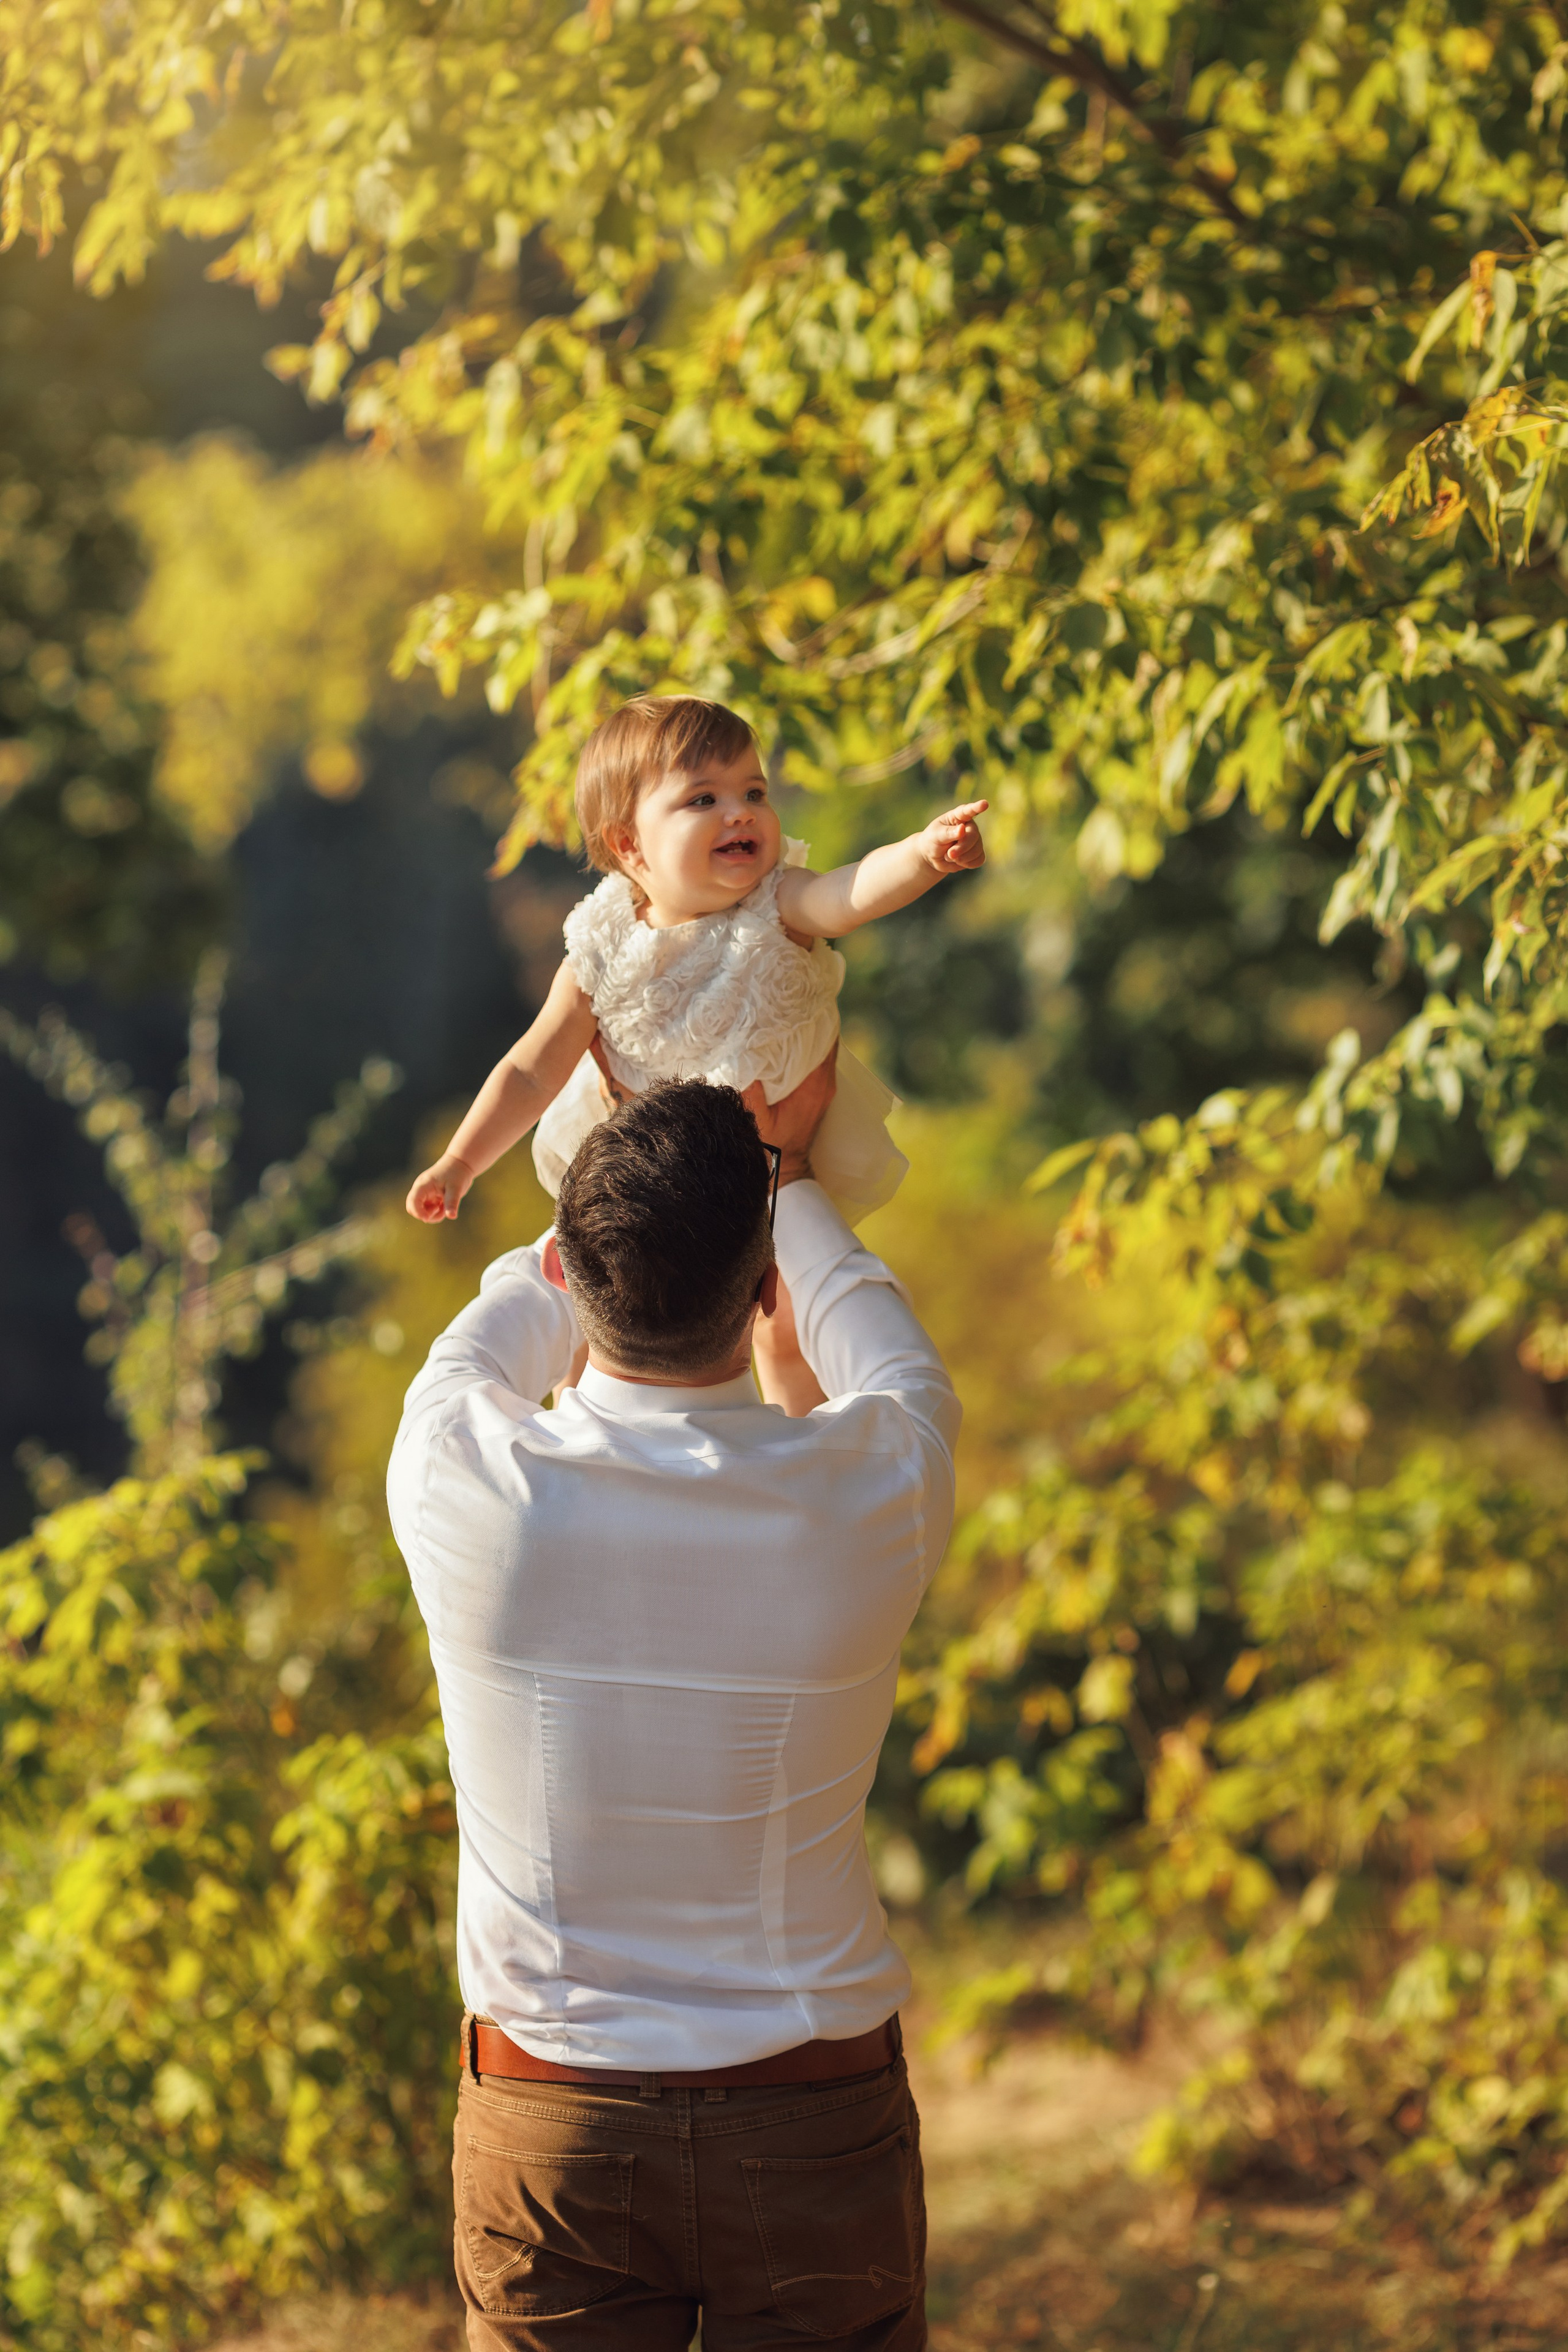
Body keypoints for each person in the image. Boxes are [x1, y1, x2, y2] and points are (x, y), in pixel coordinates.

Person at [387, 1057, 959, 2349]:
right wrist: (789, 1177)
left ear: (575, 1282)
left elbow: (510, 1310)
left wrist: (619, 1160)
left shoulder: (455, 1480)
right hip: (813, 2118)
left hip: (553, 2128)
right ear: (767, 1292)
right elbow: (880, 1338)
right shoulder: (874, 1489)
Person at [404, 693, 984, 1412]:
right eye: (702, 798)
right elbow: (531, 1068)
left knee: (786, 1324)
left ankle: (794, 1443)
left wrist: (924, 856)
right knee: (599, 1314)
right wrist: (461, 1162)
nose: (740, 812)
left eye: (754, 792)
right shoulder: (601, 945)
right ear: (629, 846)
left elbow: (851, 893)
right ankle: (589, 1436)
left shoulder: (779, 902)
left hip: (772, 1163)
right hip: (649, 1167)